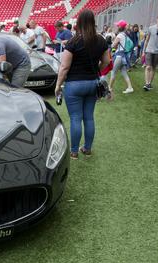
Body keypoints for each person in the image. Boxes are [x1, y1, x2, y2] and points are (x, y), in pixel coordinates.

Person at [54, 9, 110, 160]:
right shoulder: (101, 40)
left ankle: (73, 152)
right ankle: (87, 148)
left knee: (75, 118)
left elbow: (64, 67)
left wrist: (58, 86)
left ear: (78, 23)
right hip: (92, 83)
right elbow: (106, 61)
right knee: (89, 118)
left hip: (74, 84)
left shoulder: (73, 42)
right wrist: (96, 71)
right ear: (93, 22)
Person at [142, 13, 158, 91]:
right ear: (157, 19)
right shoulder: (151, 28)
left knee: (153, 68)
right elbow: (146, 40)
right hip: (149, 50)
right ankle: (147, 83)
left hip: (157, 51)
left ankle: (149, 83)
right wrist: (143, 51)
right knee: (148, 66)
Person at [109, 20, 134, 94]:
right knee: (124, 72)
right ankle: (130, 87)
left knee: (113, 72)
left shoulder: (119, 35)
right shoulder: (125, 35)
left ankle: (109, 88)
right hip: (124, 56)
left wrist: (113, 41)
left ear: (120, 27)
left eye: (118, 25)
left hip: (119, 56)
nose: (117, 26)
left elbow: (113, 46)